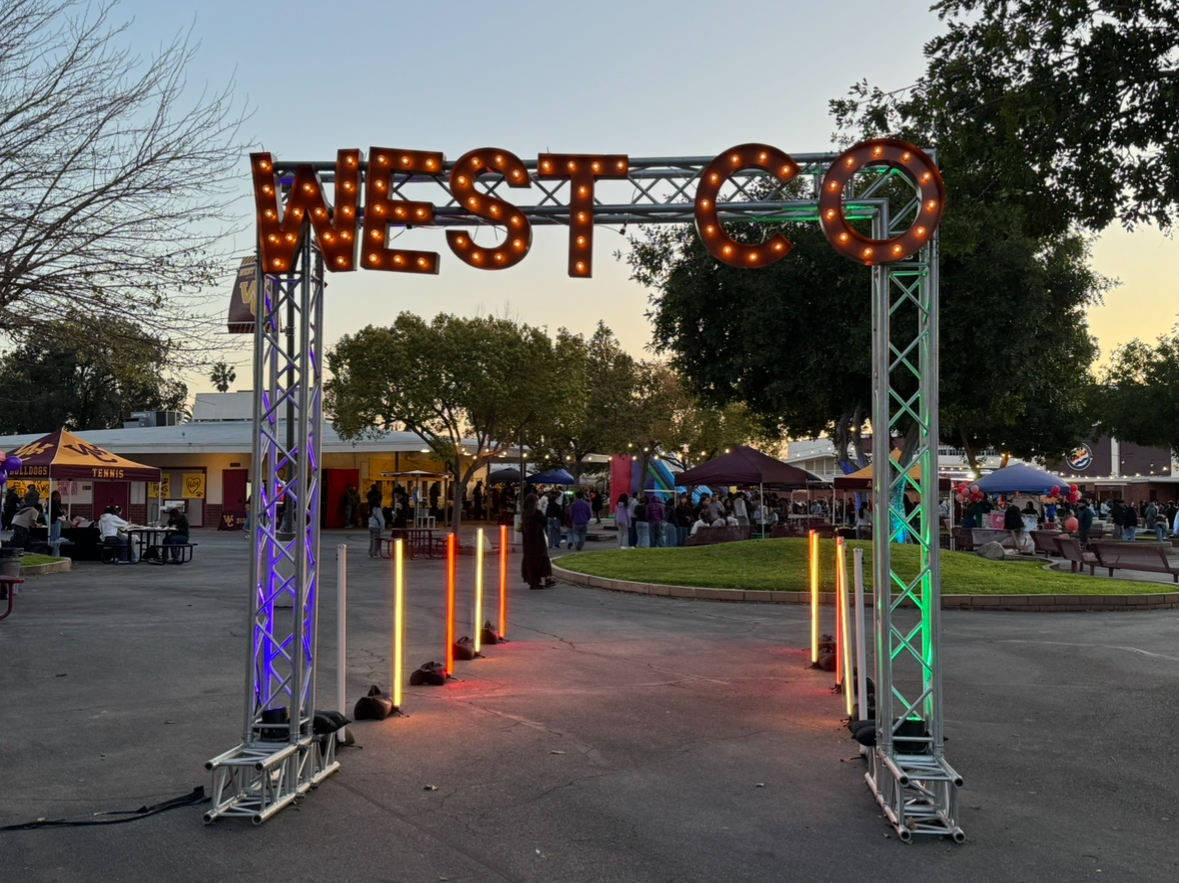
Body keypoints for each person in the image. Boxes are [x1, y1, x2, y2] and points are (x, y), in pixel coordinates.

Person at [520, 493, 555, 589]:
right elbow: (545, 521)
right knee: (541, 558)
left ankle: (533, 581)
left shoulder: (525, 513)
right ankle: (545, 579)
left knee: (530, 560)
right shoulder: (537, 513)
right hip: (538, 539)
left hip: (527, 541)